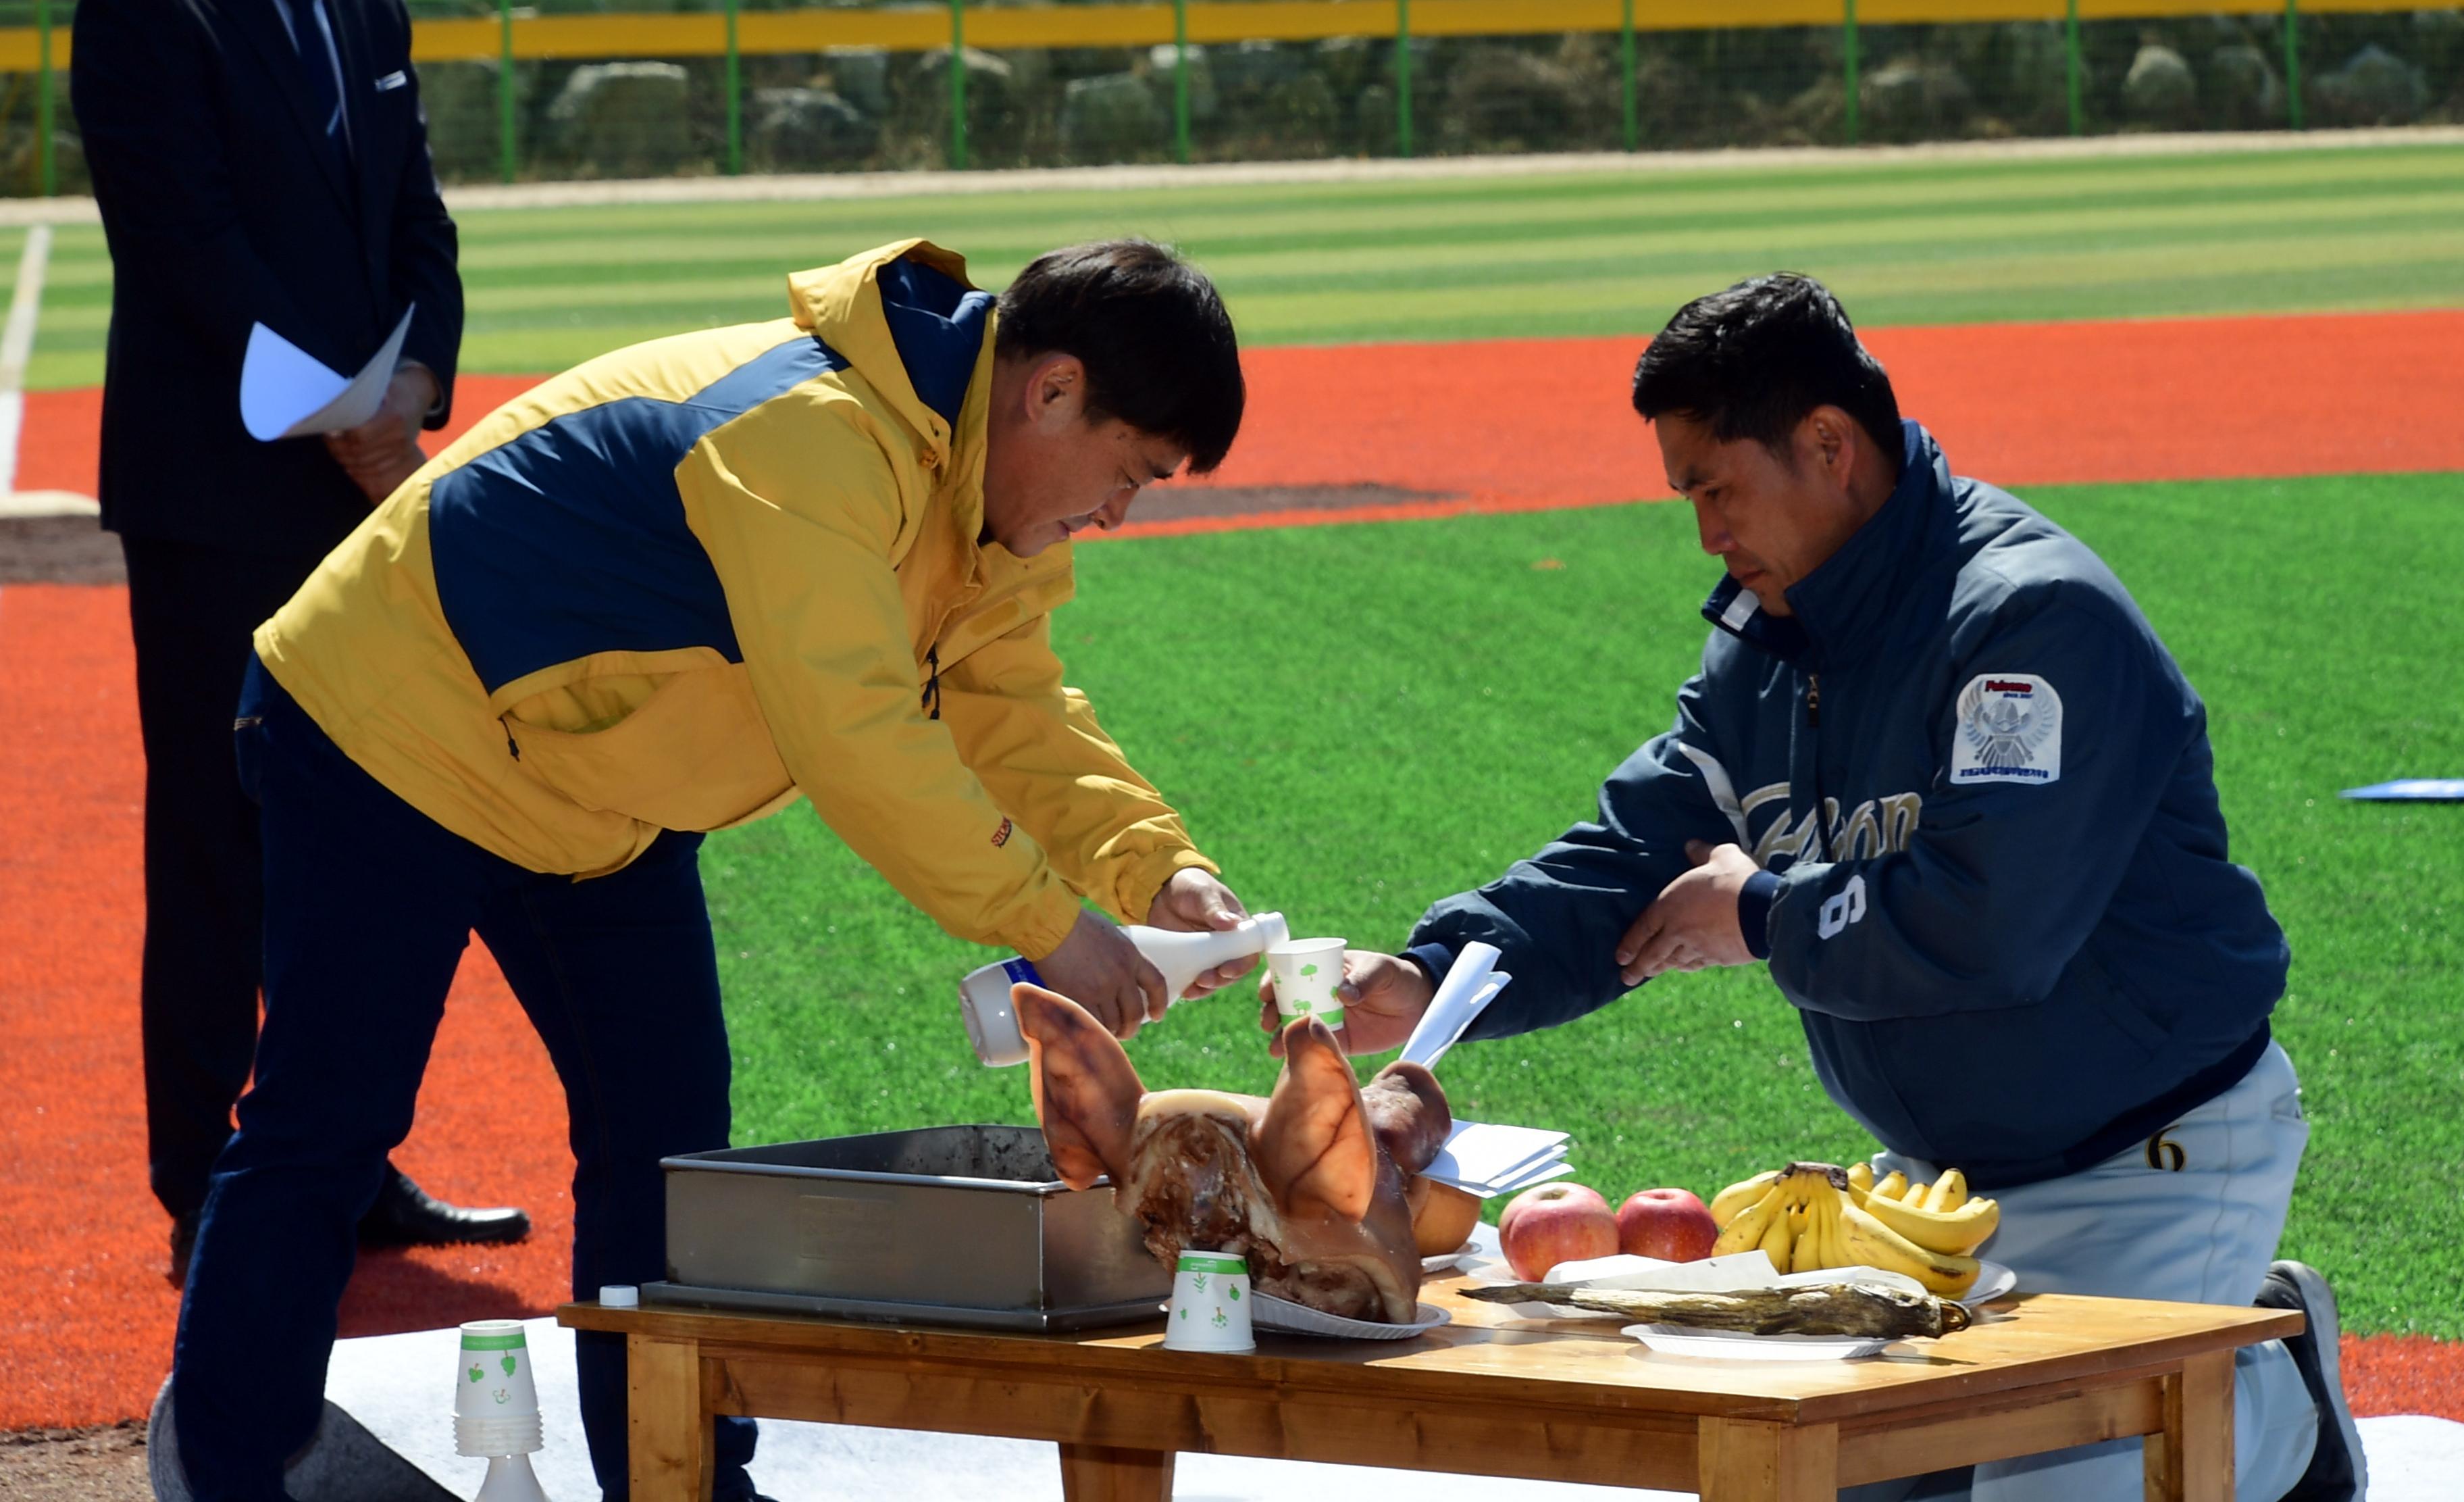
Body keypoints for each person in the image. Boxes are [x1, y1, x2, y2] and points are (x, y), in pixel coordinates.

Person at [167, 238, 1254, 1499]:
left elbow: (1010, 703)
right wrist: (1048, 925)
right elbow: (854, 733)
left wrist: (1153, 869)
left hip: (594, 785)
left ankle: (678, 1482)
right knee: (326, 1126)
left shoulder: (979, 491)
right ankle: (233, 1475)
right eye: (1128, 475)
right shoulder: (811, 436)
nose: (1116, 515)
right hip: (389, 731)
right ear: (1052, 390)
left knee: (669, 1150)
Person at [1268, 274, 2365, 1502]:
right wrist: (1431, 969)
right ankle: (2193, 1401)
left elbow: (1991, 927)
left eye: (1715, 488)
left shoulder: (2031, 622)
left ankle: (2275, 1401)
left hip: (2146, 1153)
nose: (1704, 532)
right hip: (1943, 1180)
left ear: (1830, 447)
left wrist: (1759, 914)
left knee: (2064, 1487)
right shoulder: (1768, 637)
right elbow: (1634, 850)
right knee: (1838, 1469)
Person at [70, 0, 525, 1278]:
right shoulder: (142, 2)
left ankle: (336, 1157)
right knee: (218, 839)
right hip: (219, 500)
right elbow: (187, 244)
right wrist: (352, 411)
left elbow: (419, 231)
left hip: (362, 502)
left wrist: (420, 379)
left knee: (347, 846)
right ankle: (204, 1184)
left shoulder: (368, 6)